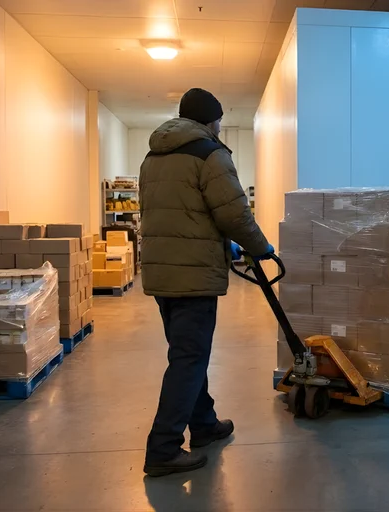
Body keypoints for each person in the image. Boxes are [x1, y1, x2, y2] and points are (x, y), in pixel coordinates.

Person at [139, 87, 273, 477]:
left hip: (162, 273)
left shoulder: (153, 157)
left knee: (187, 353)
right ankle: (163, 447)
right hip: (193, 275)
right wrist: (260, 247)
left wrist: (226, 248)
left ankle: (203, 424)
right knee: (189, 357)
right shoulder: (210, 154)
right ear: (210, 120)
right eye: (218, 118)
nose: (219, 125)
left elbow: (181, 216)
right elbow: (233, 213)